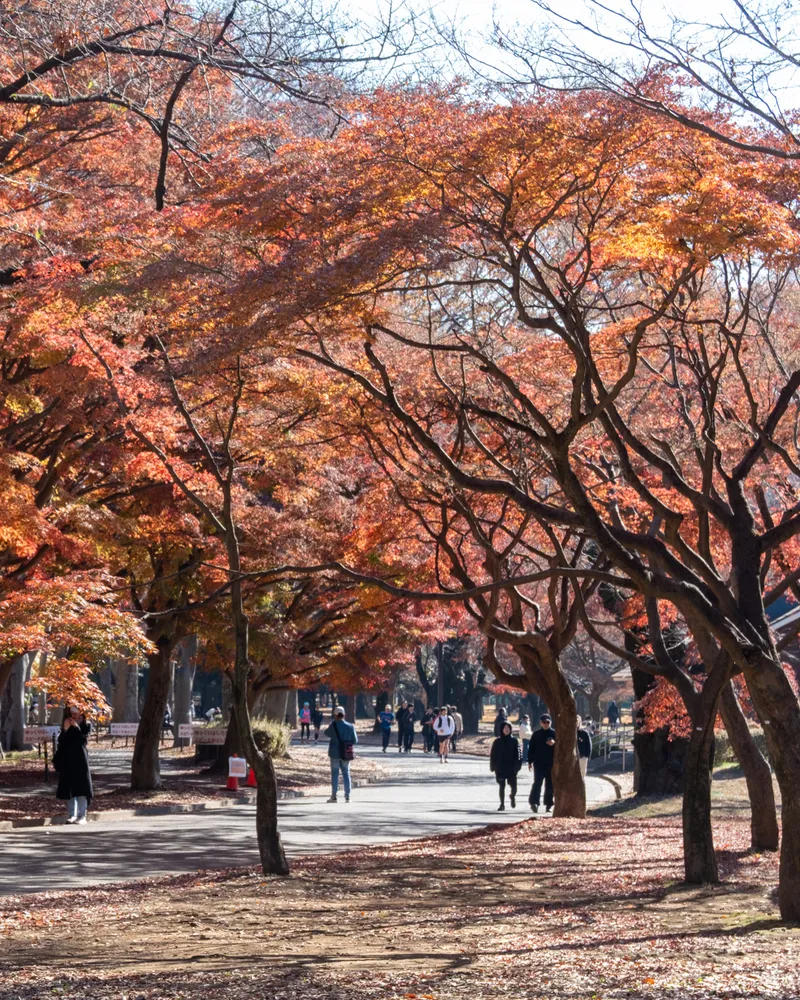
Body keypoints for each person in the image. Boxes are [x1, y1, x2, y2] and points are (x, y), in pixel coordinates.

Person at [54, 706, 93, 824]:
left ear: (81, 715)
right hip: (68, 759)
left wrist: (76, 728)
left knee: (81, 788)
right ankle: (72, 814)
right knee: (69, 787)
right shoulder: (67, 724)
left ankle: (82, 815)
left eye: (75, 714)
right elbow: (61, 741)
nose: (73, 716)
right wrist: (65, 730)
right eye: (72, 714)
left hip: (80, 760)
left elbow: (82, 740)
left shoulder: (86, 725)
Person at [325, 706, 358, 803]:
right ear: (344, 715)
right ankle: (347, 796)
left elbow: (326, 733)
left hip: (334, 753)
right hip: (346, 753)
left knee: (335, 774)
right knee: (346, 773)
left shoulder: (333, 725)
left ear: (335, 715)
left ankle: (334, 796)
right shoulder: (350, 726)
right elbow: (355, 740)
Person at [490, 721, 522, 810]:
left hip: (512, 768)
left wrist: (517, 766)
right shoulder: (497, 742)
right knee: (501, 786)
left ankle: (512, 796)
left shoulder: (514, 741)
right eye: (505, 728)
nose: (506, 730)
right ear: (501, 729)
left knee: (514, 787)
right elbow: (493, 755)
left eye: (508, 728)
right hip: (500, 768)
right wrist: (493, 766)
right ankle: (502, 804)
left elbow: (519, 754)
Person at [527, 714, 556, 814]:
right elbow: (531, 749)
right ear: (540, 723)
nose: (546, 724)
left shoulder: (554, 733)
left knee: (550, 784)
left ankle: (549, 805)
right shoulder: (536, 734)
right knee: (537, 782)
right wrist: (530, 761)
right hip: (538, 763)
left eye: (548, 722)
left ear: (550, 723)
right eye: (544, 722)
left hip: (551, 763)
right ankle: (534, 802)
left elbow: (561, 747)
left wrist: (554, 744)